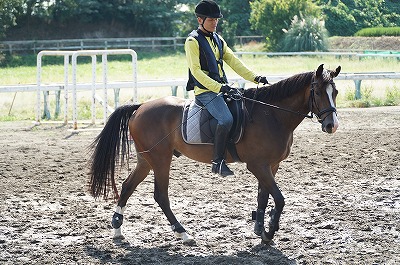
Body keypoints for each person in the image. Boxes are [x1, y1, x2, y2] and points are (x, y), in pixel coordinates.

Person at [185, 0, 268, 176]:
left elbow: (234, 62)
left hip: (222, 88)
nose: (215, 22)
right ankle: (217, 161)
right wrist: (219, 88)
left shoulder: (218, 39)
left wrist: (255, 77)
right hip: (205, 92)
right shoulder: (192, 41)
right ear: (200, 20)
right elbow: (196, 72)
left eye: (217, 19)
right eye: (211, 20)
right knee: (225, 119)